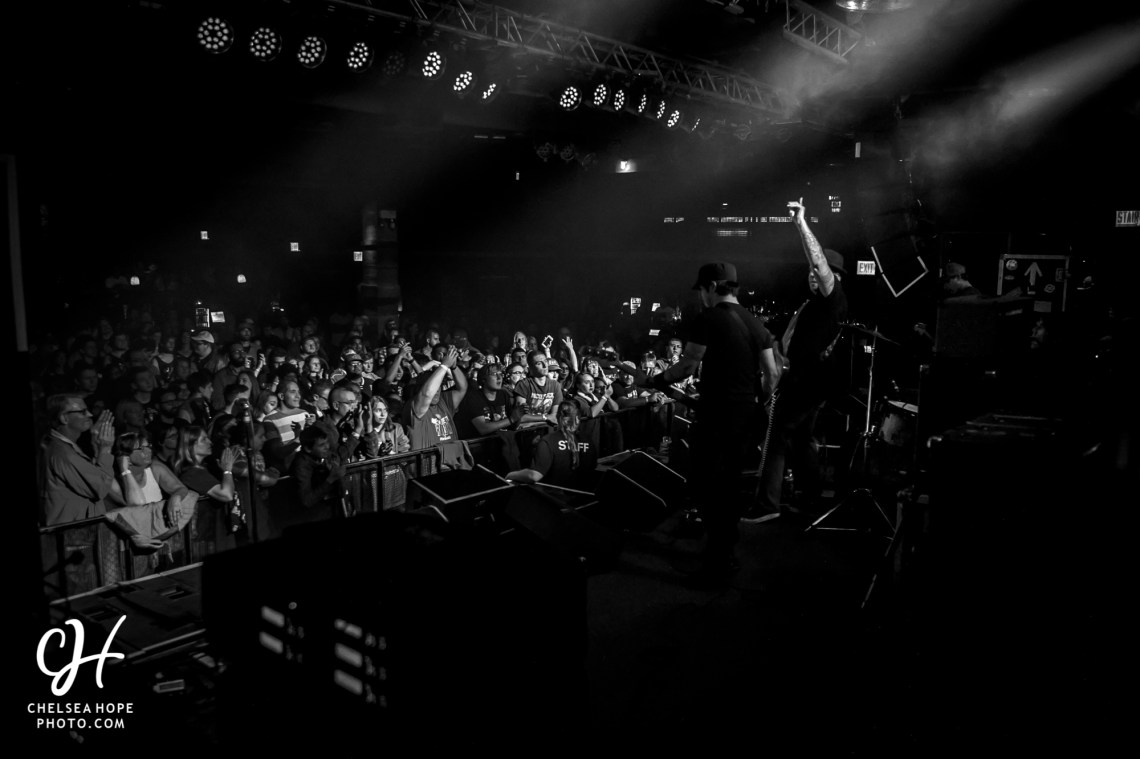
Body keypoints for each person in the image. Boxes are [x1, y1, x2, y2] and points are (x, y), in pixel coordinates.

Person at [649, 261, 780, 581]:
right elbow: (772, 373)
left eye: (701, 291)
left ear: (710, 287)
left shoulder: (708, 318)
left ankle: (715, 564)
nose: (701, 297)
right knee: (730, 484)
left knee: (708, 484)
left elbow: (687, 366)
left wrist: (657, 380)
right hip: (744, 416)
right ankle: (725, 554)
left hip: (715, 416)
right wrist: (756, 401)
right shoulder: (756, 323)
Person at [753, 198, 849, 523]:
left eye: (817, 271)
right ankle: (810, 498)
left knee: (776, 434)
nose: (812, 274)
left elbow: (819, 263)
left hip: (807, 383)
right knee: (801, 438)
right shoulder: (812, 304)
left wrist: (801, 224)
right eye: (808, 271)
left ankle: (767, 506)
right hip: (807, 382)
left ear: (835, 277)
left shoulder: (833, 297)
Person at [40, 393, 117, 525]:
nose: (90, 415)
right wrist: (105, 449)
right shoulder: (63, 453)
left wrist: (96, 446)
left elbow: (92, 475)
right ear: (64, 418)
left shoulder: (62, 445)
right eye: (82, 412)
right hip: (72, 533)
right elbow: (100, 487)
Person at [505, 401, 590, 490]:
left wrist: (511, 475)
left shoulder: (548, 441)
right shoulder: (589, 441)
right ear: (577, 419)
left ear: (557, 417)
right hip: (582, 495)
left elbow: (534, 476)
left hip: (554, 496)